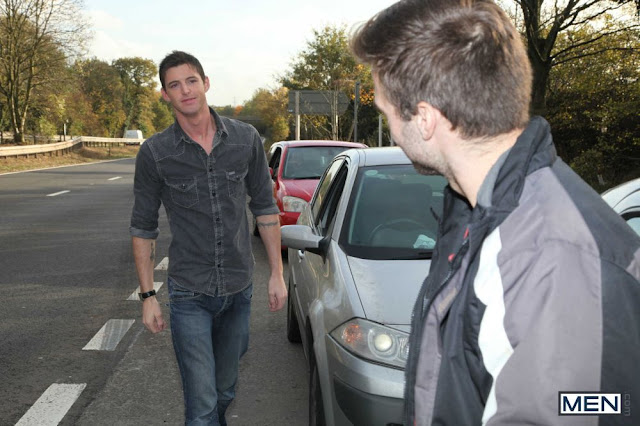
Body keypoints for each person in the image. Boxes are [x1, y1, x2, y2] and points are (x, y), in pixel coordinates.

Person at [351, 1, 640, 425]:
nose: (391, 130)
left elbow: (585, 408)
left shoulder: (555, 260)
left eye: (386, 112)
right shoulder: (477, 212)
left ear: (425, 119)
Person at [129, 50, 287, 426]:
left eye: (191, 81)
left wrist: (277, 274)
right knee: (201, 406)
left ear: (206, 83)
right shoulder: (155, 153)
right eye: (174, 85)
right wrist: (148, 296)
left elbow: (265, 209)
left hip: (238, 288)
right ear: (165, 95)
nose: (185, 90)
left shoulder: (246, 140)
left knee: (225, 391)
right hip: (189, 293)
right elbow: (143, 227)